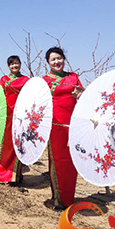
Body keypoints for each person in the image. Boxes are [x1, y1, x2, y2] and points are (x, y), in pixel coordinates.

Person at [42, 47, 82, 210]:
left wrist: (80, 94)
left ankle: (68, 197)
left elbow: (81, 96)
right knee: (58, 161)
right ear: (48, 63)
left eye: (59, 58)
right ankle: (58, 198)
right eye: (53, 59)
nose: (57, 62)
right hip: (55, 125)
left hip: (72, 124)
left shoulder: (73, 77)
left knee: (71, 162)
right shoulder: (45, 80)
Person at [0, 55, 29, 183]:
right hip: (6, 115)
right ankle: (4, 174)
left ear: (20, 64)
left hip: (20, 117)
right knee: (6, 145)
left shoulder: (26, 80)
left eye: (16, 63)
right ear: (8, 66)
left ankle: (16, 175)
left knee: (18, 144)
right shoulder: (4, 79)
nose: (14, 66)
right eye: (12, 64)